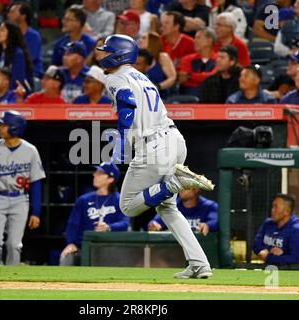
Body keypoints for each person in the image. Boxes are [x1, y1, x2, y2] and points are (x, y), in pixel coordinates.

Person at [96, 34, 215, 279]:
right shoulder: (142, 77)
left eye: (107, 51)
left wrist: (119, 140)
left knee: (127, 206)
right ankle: (200, 264)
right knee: (168, 207)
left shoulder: (115, 76)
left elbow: (127, 104)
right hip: (175, 140)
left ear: (119, 54)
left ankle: (174, 183)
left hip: (153, 146)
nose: (103, 55)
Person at [0, 110, 46, 265]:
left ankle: (13, 277)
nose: (0, 128)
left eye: (4, 125)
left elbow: (36, 182)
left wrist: (36, 212)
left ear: (15, 128)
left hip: (20, 199)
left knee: (14, 245)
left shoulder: (30, 151)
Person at [60, 162, 130, 266]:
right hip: (85, 247)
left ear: (111, 179)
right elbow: (72, 225)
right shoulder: (83, 200)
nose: (94, 174)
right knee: (67, 256)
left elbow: (125, 223)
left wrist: (108, 227)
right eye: (96, 172)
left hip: (112, 247)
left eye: (100, 173)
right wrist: (71, 243)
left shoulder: (119, 200)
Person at [253, 194, 299, 265]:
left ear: (286, 212)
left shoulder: (296, 231)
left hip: (287, 273)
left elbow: (296, 258)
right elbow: (256, 245)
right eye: (272, 206)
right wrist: (267, 251)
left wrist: (269, 257)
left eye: (276, 207)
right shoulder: (267, 223)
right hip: (267, 268)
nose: (272, 210)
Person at [148, 188, 218, 236]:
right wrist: (153, 226)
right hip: (176, 250)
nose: (181, 188)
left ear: (196, 189)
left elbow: (217, 222)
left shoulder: (209, 206)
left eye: (185, 185)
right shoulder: (170, 206)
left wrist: (208, 225)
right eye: (181, 185)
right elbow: (155, 222)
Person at [0, 21, 33, 92]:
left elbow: (17, 81)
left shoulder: (18, 54)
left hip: (15, 95)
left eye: (2, 30)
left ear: (11, 34)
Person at [7, 1, 44, 78]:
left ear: (23, 16)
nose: (9, 15)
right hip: (12, 73)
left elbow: (28, 59)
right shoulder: (8, 35)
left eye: (13, 12)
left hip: (31, 75)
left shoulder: (34, 36)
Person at [178, 28, 218, 96]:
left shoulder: (219, 59)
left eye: (198, 38)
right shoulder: (187, 59)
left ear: (209, 41)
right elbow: (183, 79)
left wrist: (190, 76)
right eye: (195, 38)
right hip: (190, 95)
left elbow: (213, 78)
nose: (194, 41)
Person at [137, 32, 177, 98]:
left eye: (143, 38)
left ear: (152, 41)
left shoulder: (162, 57)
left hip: (162, 97)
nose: (140, 40)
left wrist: (158, 86)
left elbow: (172, 77)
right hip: (141, 97)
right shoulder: (135, 58)